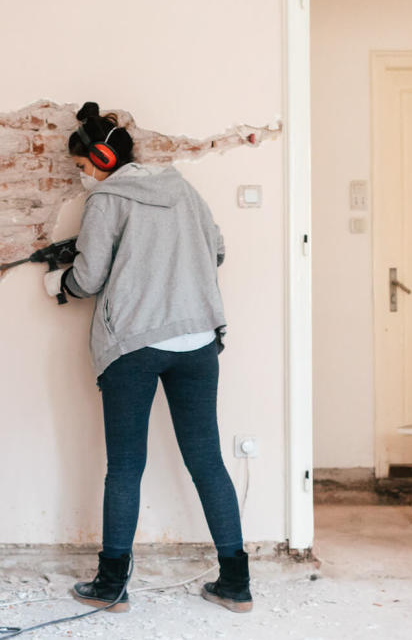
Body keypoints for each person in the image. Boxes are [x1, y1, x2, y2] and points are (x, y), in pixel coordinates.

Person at [47, 102, 251, 614]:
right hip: (197, 340)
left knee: (125, 467)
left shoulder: (104, 202)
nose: (82, 178)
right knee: (207, 459)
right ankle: (235, 583)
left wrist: (60, 284)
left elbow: (90, 279)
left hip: (134, 347)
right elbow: (217, 249)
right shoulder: (183, 189)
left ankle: (112, 586)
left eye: (81, 168)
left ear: (100, 160)